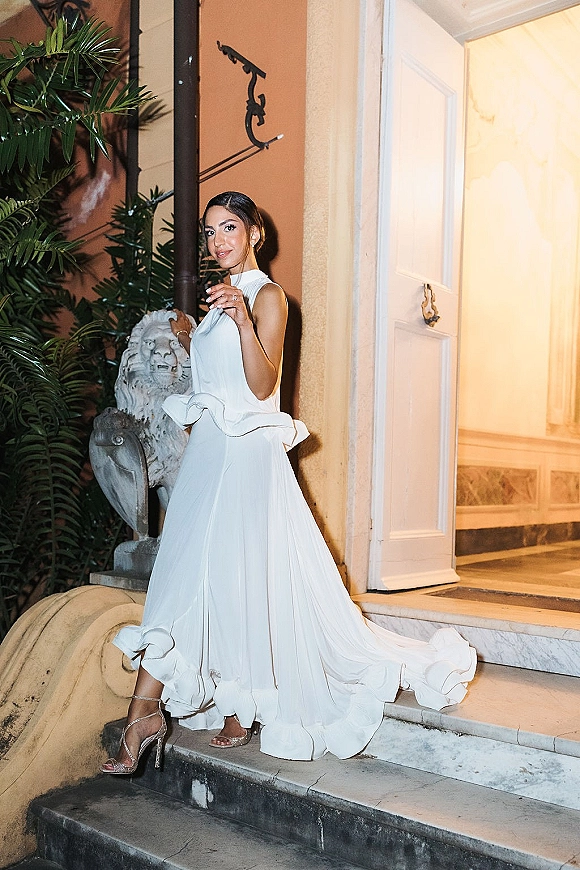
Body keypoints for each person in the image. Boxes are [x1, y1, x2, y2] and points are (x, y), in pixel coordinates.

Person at [101, 191, 476, 773]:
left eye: (229, 228)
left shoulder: (268, 297)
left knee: (245, 575)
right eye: (209, 232)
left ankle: (225, 706)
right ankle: (158, 710)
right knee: (185, 575)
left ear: (256, 232)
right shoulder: (215, 303)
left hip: (248, 458)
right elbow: (213, 383)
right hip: (208, 456)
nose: (218, 240)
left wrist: (242, 318)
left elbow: (259, 385)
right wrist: (190, 333)